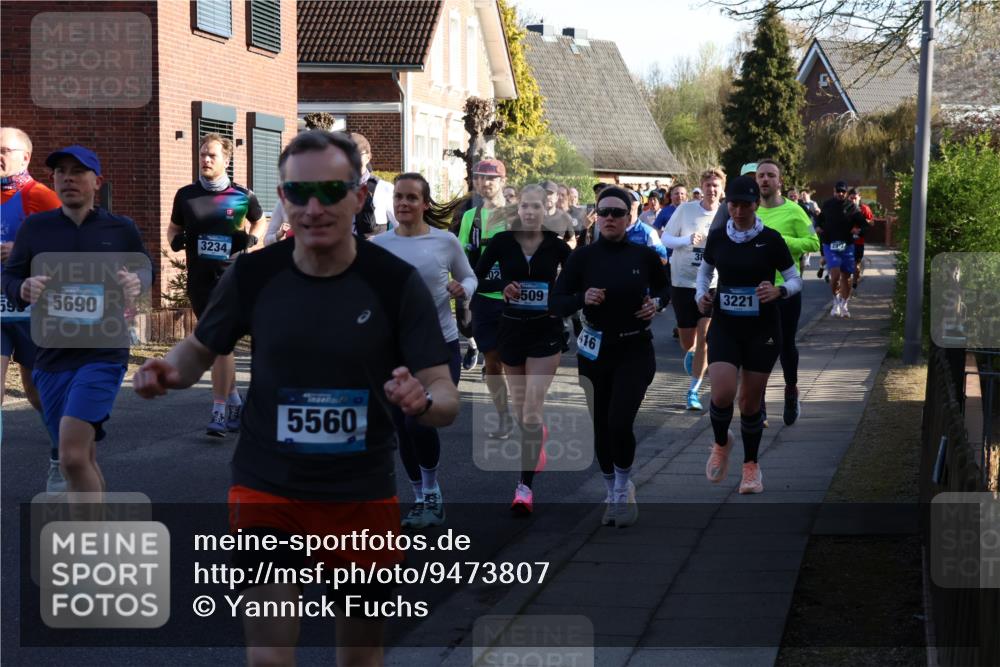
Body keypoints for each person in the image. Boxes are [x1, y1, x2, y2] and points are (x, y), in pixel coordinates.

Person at [134, 130, 459, 666]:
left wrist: (423, 401)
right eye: (298, 192)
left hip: (359, 491)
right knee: (268, 657)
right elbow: (199, 348)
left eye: (331, 191)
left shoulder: (394, 282)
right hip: (267, 484)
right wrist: (166, 371)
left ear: (359, 196)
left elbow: (445, 395)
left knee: (358, 656)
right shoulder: (255, 274)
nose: (314, 207)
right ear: (282, 198)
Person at [2, 146, 150, 495]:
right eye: (60, 171)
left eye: (78, 172)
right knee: (82, 456)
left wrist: (137, 281)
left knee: (69, 455)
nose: (68, 177)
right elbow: (8, 277)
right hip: (51, 356)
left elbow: (145, 267)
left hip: (102, 352)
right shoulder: (36, 229)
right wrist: (21, 286)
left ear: (96, 182)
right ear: (53, 179)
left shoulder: (119, 228)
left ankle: (86, 545)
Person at [552, 186, 667, 527]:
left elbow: (665, 288)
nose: (610, 218)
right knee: (601, 426)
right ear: (596, 216)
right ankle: (611, 490)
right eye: (604, 212)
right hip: (594, 352)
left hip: (634, 348)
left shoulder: (643, 255)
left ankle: (622, 486)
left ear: (630, 217)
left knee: (619, 421)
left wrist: (655, 304)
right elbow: (557, 301)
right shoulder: (582, 258)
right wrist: (581, 298)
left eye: (618, 213)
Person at [371, 173, 475, 529]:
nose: (403, 203)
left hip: (438, 347)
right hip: (394, 349)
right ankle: (421, 496)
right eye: (399, 197)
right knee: (402, 425)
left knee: (419, 420)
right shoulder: (379, 245)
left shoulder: (445, 242)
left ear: (425, 204)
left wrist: (463, 289)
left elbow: (471, 276)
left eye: (412, 198)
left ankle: (431, 493)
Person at [696, 176, 803, 494]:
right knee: (722, 394)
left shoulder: (771, 240)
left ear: (757, 204)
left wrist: (779, 290)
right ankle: (721, 443)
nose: (739, 210)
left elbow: (795, 278)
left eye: (745, 204)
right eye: (734, 204)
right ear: (728, 205)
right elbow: (704, 272)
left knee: (749, 402)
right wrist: (700, 296)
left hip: (763, 330)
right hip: (726, 326)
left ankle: (751, 467)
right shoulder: (718, 238)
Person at [474, 184, 571, 515]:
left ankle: (524, 488)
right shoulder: (502, 242)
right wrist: (503, 286)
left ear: (547, 209)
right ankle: (536, 433)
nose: (530, 212)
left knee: (530, 408)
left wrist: (560, 301)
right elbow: (477, 278)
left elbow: (576, 281)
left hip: (545, 332)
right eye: (525, 207)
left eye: (536, 207)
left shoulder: (557, 247)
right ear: (519, 210)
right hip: (511, 330)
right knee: (522, 412)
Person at [167, 133, 264, 436]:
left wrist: (252, 240)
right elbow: (173, 229)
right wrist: (175, 241)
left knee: (219, 342)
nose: (206, 160)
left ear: (226, 160)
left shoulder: (242, 195)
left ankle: (219, 410)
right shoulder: (186, 195)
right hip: (199, 280)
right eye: (203, 155)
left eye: (212, 155)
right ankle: (234, 400)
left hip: (231, 277)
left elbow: (261, 221)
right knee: (215, 342)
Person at [1, 127, 64, 489]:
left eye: (3, 150)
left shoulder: (41, 196)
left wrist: (24, 253)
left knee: (35, 389)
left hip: (31, 311)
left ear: (25, 156)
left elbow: (68, 252)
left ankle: (60, 445)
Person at [754, 160, 819, 426]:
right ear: (756, 181)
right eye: (761, 176)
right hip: (756, 291)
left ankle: (791, 390)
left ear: (780, 181)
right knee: (756, 348)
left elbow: (814, 242)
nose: (765, 180)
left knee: (785, 345)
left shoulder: (796, 212)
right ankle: (758, 404)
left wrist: (783, 242)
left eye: (771, 175)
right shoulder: (749, 210)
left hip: (786, 289)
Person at [457, 159, 514, 433]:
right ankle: (504, 416)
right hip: (483, 299)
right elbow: (460, 255)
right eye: (480, 178)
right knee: (493, 362)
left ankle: (525, 410)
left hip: (513, 299)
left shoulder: (515, 216)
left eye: (491, 178)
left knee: (511, 360)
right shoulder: (471, 217)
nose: (485, 183)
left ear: (503, 181)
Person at [662, 168, 724, 410]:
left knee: (705, 337)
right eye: (708, 185)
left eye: (716, 185)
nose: (711, 189)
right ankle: (695, 359)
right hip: (682, 282)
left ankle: (693, 391)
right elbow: (665, 239)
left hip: (712, 282)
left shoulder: (725, 214)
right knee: (689, 342)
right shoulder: (686, 210)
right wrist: (686, 240)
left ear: (722, 189)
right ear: (702, 187)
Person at [816, 180, 867, 318]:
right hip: (830, 244)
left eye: (843, 191)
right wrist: (817, 227)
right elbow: (818, 220)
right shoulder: (827, 205)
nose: (840, 193)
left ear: (846, 192)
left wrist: (858, 230)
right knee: (835, 274)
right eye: (838, 191)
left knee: (846, 276)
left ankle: (844, 304)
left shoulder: (852, 207)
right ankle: (835, 301)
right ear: (834, 191)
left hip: (847, 245)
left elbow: (864, 224)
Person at [350, 132, 397, 236]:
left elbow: (401, 227)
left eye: (357, 154)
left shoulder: (384, 189)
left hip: (373, 249)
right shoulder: (333, 186)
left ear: (368, 157)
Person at [847, 188, 873, 288]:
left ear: (859, 197)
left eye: (855, 198)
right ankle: (847, 282)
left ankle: (855, 280)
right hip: (847, 241)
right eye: (851, 198)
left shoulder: (864, 208)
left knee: (856, 265)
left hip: (858, 241)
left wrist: (863, 221)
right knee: (846, 263)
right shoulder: (845, 208)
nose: (853, 200)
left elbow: (872, 222)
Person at [540, 179, 576, 245]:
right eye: (545, 194)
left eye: (551, 194)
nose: (548, 197)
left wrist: (561, 246)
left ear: (556, 197)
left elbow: (573, 241)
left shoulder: (565, 217)